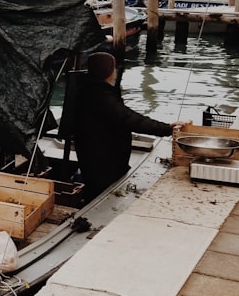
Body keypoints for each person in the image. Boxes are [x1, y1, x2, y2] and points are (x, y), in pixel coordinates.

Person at [72, 52, 177, 200]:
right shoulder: (101, 95)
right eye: (113, 68)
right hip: (102, 160)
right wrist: (167, 129)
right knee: (100, 191)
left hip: (94, 153)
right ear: (109, 71)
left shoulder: (90, 89)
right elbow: (130, 119)